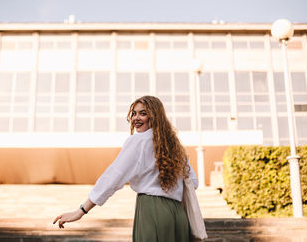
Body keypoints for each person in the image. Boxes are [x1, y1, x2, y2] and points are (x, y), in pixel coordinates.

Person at [53, 95, 198, 242]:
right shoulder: (174, 146)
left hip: (152, 212)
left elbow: (113, 177)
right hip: (178, 215)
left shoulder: (138, 141)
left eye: (143, 113)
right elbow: (193, 182)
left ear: (155, 116)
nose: (136, 118)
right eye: (134, 113)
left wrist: (81, 210)